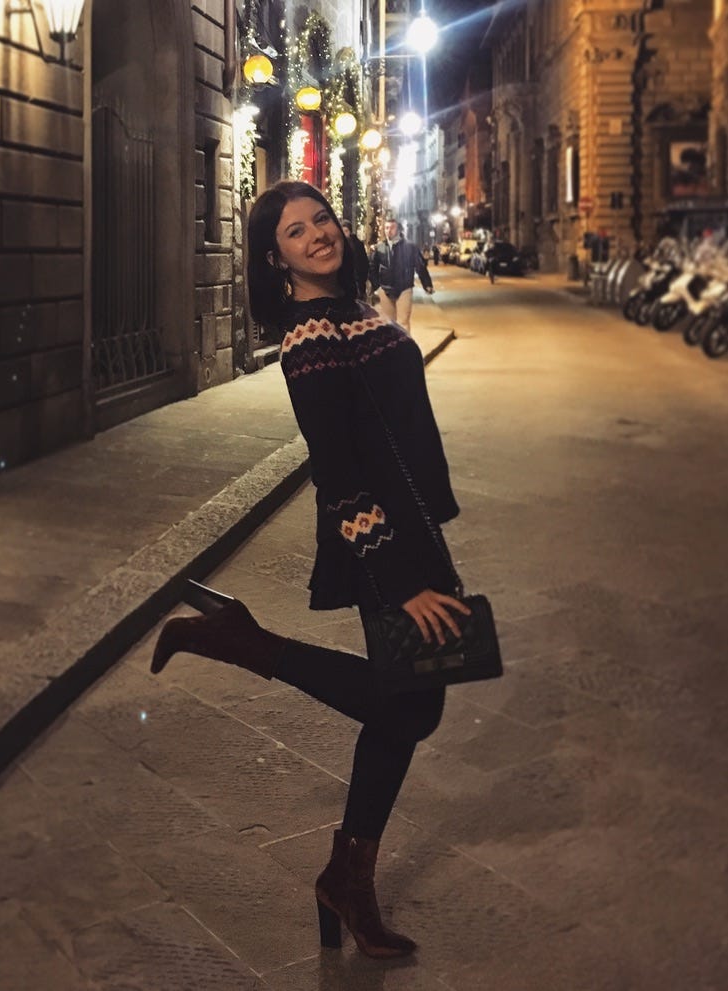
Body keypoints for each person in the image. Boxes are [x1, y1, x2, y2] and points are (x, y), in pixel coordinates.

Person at [149, 180, 469, 960]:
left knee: (408, 707)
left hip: (410, 535)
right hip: (380, 547)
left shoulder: (352, 312)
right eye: (296, 231)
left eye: (320, 219)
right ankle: (245, 645)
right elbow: (338, 475)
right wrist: (397, 579)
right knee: (409, 707)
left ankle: (344, 876)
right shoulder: (310, 339)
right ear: (275, 257)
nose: (317, 234)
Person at [368, 217, 433, 334]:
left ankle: (406, 349)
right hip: (385, 288)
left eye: (392, 228)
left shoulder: (409, 247)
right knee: (389, 323)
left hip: (404, 287)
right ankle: (393, 349)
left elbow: (420, 266)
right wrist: (376, 286)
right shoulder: (379, 248)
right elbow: (372, 268)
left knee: (403, 322)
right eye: (386, 228)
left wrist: (427, 284)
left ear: (397, 229)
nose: (389, 231)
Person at [340, 218, 370, 300]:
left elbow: (364, 262)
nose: (344, 234)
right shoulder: (338, 245)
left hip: (357, 281)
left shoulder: (358, 244)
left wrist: (362, 279)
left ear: (350, 231)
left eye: (346, 231)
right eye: (342, 231)